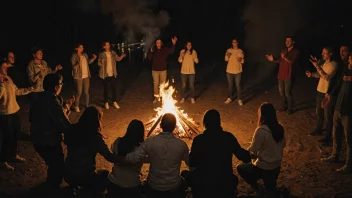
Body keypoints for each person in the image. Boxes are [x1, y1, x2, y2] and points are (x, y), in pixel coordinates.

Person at [189, 109, 251, 198]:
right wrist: (252, 154)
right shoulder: (228, 137)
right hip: (225, 183)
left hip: (204, 185)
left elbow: (192, 162)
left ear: (205, 123)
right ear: (219, 122)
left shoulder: (199, 140)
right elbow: (243, 156)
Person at [125, 113, 189, 198]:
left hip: (153, 185)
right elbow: (190, 163)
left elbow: (133, 158)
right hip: (173, 185)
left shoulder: (150, 142)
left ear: (160, 125)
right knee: (184, 179)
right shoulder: (182, 145)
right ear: (175, 126)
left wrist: (116, 157)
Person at [30, 73, 73, 189]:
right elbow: (64, 125)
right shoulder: (53, 102)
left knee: (53, 164)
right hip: (48, 141)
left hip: (37, 139)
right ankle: (52, 189)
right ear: (55, 87)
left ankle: (50, 184)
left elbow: (51, 117)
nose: (61, 86)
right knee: (57, 166)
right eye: (60, 84)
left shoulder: (39, 98)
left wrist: (66, 108)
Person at [64, 106, 118, 196]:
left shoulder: (72, 128)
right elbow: (109, 156)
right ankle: (92, 191)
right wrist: (125, 158)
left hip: (68, 172)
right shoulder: (95, 136)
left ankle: (73, 186)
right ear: (97, 120)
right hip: (85, 176)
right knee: (106, 175)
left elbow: (66, 140)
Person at [237, 102, 286, 197]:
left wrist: (248, 155)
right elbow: (283, 145)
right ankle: (270, 188)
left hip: (263, 167)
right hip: (276, 167)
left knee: (241, 168)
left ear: (262, 115)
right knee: (271, 189)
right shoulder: (280, 128)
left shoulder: (261, 130)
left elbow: (252, 151)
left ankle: (256, 187)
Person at [321, 53, 352, 173]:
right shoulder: (345, 70)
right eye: (349, 58)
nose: (349, 61)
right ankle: (335, 155)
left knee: (349, 138)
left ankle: (349, 164)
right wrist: (329, 95)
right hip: (338, 107)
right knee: (336, 133)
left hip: (348, 111)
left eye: (351, 59)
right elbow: (337, 83)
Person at [0, 61, 34, 171]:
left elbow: (16, 91)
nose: (6, 69)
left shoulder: (8, 78)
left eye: (6, 67)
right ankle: (2, 160)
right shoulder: (1, 81)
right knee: (7, 137)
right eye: (3, 67)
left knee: (15, 134)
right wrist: (1, 84)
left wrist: (29, 89)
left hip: (15, 110)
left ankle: (12, 155)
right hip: (5, 114)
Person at [319, 45, 350, 145]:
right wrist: (330, 93)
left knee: (334, 119)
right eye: (340, 50)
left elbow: (328, 78)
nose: (341, 53)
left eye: (344, 51)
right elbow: (336, 82)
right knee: (332, 120)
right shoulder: (342, 65)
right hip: (336, 98)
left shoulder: (340, 66)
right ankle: (331, 142)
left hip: (345, 101)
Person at [107, 119, 145, 198]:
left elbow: (113, 152)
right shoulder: (141, 149)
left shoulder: (118, 141)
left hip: (114, 183)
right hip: (132, 186)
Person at [306, 47, 338, 136]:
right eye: (322, 52)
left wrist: (317, 66)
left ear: (330, 54)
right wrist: (311, 74)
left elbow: (326, 77)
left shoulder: (334, 65)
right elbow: (320, 75)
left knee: (327, 115)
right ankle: (318, 130)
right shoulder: (324, 63)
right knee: (319, 113)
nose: (322, 54)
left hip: (327, 93)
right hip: (320, 90)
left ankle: (328, 135)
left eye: (325, 53)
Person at [265, 36, 300, 114]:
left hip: (288, 75)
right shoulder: (284, 50)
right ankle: (284, 106)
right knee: (281, 92)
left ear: (293, 42)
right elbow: (280, 60)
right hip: (281, 75)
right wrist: (273, 59)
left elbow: (291, 61)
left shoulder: (296, 51)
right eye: (286, 41)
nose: (287, 42)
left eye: (289, 41)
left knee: (287, 93)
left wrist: (285, 57)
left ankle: (290, 109)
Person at [148, 37, 178, 103]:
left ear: (161, 43)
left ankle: (162, 97)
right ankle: (156, 97)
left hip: (163, 70)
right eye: (157, 43)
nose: (158, 44)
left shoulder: (165, 49)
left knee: (162, 84)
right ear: (155, 44)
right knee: (156, 84)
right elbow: (149, 58)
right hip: (155, 70)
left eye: (159, 42)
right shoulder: (154, 50)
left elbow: (172, 51)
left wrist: (173, 44)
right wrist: (150, 52)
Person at [98, 41, 126, 110]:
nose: (108, 46)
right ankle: (106, 102)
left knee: (114, 88)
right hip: (105, 74)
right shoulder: (102, 54)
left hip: (112, 74)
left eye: (109, 45)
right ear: (104, 47)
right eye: (106, 45)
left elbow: (118, 59)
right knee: (106, 89)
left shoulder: (112, 53)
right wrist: (101, 62)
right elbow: (98, 63)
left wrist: (122, 56)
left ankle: (114, 101)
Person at [70, 43, 97, 112]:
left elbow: (88, 62)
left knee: (86, 92)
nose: (82, 48)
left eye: (82, 47)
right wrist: (77, 64)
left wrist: (93, 59)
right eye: (80, 47)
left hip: (86, 75)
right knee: (79, 92)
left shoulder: (85, 55)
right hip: (78, 76)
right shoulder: (74, 56)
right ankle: (76, 106)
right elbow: (73, 67)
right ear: (76, 48)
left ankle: (87, 105)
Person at [224, 38, 245, 106]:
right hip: (229, 71)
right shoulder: (229, 50)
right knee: (230, 85)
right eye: (233, 42)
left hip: (237, 71)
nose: (234, 43)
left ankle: (240, 99)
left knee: (238, 85)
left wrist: (240, 60)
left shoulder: (240, 51)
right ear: (232, 43)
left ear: (237, 43)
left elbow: (243, 61)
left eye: (235, 42)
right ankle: (229, 98)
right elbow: (226, 59)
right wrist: (228, 56)